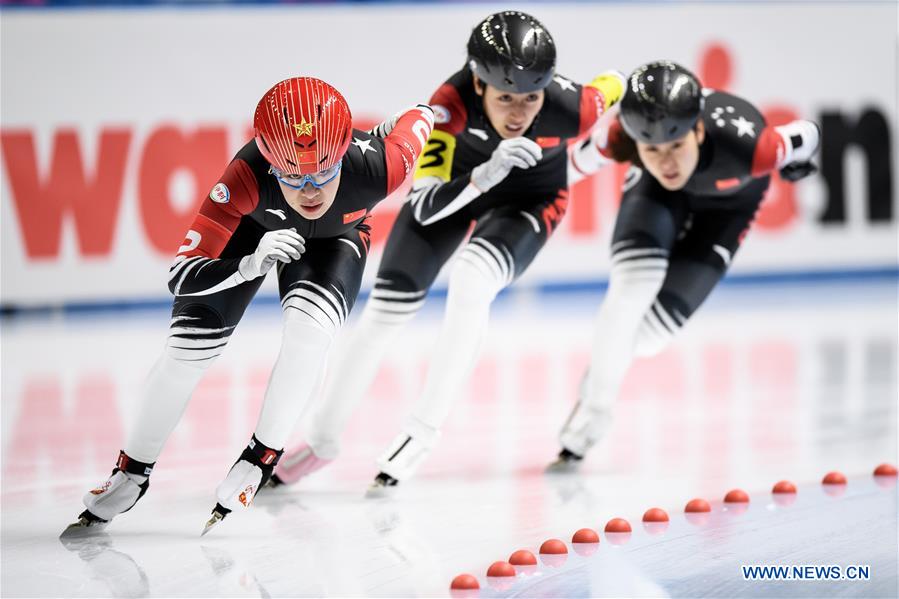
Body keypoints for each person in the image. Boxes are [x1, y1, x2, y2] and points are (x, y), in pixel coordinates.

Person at [61, 76, 433, 535]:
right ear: (271, 164)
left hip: (336, 239)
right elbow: (179, 276)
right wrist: (247, 265)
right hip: (247, 237)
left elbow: (424, 112)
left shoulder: (383, 166)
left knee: (310, 333)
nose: (311, 191)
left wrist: (386, 131)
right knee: (186, 350)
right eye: (293, 177)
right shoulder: (244, 177)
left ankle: (260, 459)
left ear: (342, 157)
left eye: (323, 173)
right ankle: (131, 473)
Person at [270, 11, 625, 489]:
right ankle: (320, 442)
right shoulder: (448, 106)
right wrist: (484, 176)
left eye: (530, 99)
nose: (520, 113)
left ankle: (421, 432)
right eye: (505, 99)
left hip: (531, 200)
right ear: (478, 87)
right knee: (383, 314)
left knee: (473, 282)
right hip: (455, 191)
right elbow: (425, 207)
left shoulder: (574, 106)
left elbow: (621, 83)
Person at [551, 60, 820, 468]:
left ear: (697, 129)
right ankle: (594, 413)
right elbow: (562, 172)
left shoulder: (755, 147)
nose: (667, 162)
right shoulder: (620, 135)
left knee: (648, 338)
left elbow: (808, 133)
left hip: (727, 212)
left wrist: (799, 158)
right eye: (652, 150)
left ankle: (599, 377)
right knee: (631, 290)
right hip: (657, 195)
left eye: (676, 145)